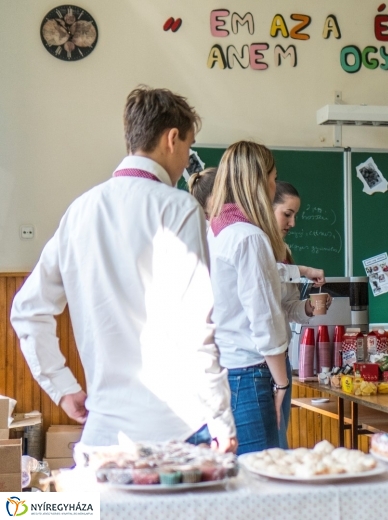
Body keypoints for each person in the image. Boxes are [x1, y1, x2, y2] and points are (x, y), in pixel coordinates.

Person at [10, 87, 237, 452]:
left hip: (104, 434)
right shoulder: (178, 208)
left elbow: (27, 310)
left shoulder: (79, 211)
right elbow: (197, 327)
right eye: (188, 147)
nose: (186, 162)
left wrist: (63, 386)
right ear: (172, 138)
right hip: (178, 431)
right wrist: (222, 419)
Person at [206, 141, 325, 455]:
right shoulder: (249, 237)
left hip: (223, 368)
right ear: (258, 182)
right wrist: (282, 384)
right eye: (272, 178)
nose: (274, 185)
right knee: (263, 476)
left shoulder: (215, 229)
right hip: (252, 371)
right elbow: (266, 321)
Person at [271, 180, 330, 448]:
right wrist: (305, 270)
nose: (292, 223)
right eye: (287, 214)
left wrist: (308, 308)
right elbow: (267, 272)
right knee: (271, 442)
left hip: (281, 360)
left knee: (280, 439)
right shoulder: (250, 243)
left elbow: (289, 307)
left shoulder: (285, 252)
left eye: (295, 215)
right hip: (258, 363)